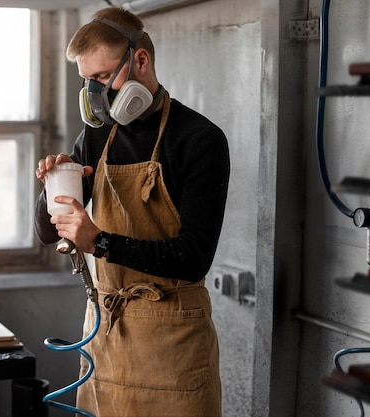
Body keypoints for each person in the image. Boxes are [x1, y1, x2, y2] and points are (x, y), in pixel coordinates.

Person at [34, 6, 229, 417]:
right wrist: (52, 186)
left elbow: (193, 259)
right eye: (88, 81)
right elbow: (48, 233)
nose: (95, 93)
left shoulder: (200, 139)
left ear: (140, 60)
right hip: (105, 334)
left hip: (172, 343)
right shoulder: (97, 136)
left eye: (103, 78)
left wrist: (99, 241)